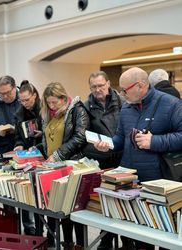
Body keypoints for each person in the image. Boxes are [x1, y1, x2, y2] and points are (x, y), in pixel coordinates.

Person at [94, 67, 182, 250]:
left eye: (125, 89)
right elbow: (121, 138)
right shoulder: (126, 108)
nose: (122, 94)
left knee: (165, 235)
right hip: (130, 181)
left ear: (141, 86)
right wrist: (107, 144)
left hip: (159, 182)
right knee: (138, 234)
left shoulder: (172, 104)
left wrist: (154, 141)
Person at [38, 82, 89, 249]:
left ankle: (80, 244)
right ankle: (67, 243)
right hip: (54, 167)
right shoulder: (48, 114)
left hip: (72, 165)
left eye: (55, 102)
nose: (51, 106)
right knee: (62, 210)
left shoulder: (76, 110)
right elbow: (48, 138)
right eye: (48, 103)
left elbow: (80, 137)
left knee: (74, 209)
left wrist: (58, 154)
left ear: (63, 98)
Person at [82, 71, 122, 250]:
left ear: (108, 83)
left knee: (125, 202)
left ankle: (127, 241)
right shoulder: (86, 107)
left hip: (123, 158)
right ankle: (106, 240)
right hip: (102, 160)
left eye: (100, 85)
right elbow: (83, 137)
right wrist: (95, 147)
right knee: (106, 204)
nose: (97, 89)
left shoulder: (122, 102)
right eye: (93, 87)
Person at [13, 80, 43, 236]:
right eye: (21, 100)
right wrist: (19, 145)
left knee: (43, 198)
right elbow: (18, 136)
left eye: (27, 100)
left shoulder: (44, 109)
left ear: (35, 96)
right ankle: (32, 231)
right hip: (27, 158)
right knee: (26, 192)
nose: (24, 103)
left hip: (44, 157)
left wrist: (42, 136)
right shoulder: (19, 113)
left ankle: (48, 235)